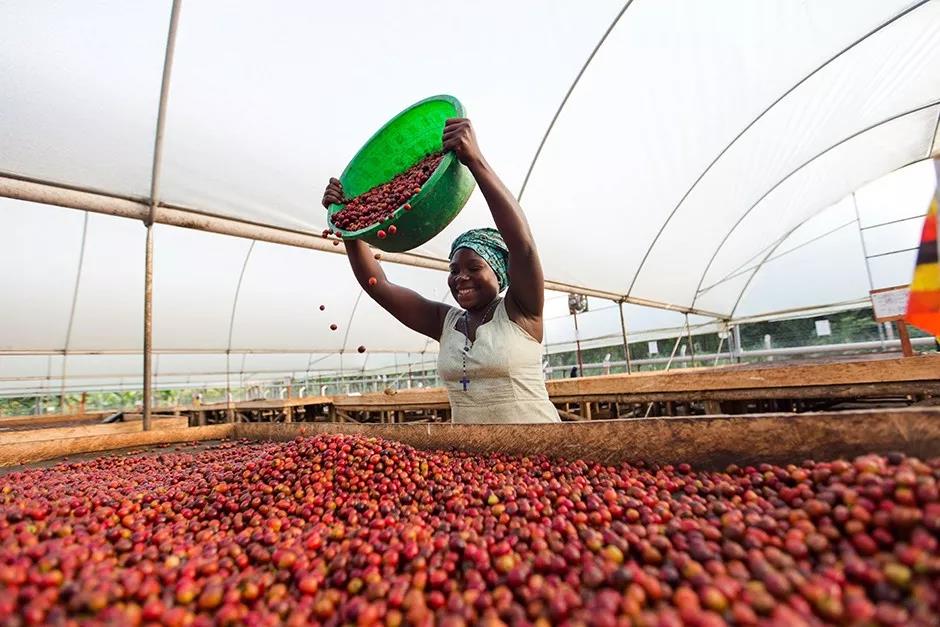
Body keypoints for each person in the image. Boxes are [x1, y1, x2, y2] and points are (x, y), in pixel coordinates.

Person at [321, 118, 559, 423]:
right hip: (471, 453)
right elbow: (378, 285)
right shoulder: (445, 322)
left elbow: (522, 246)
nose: (461, 277)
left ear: (500, 273)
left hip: (538, 447)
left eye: (474, 267)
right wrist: (349, 226)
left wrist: (475, 161)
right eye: (454, 269)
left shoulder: (521, 311)